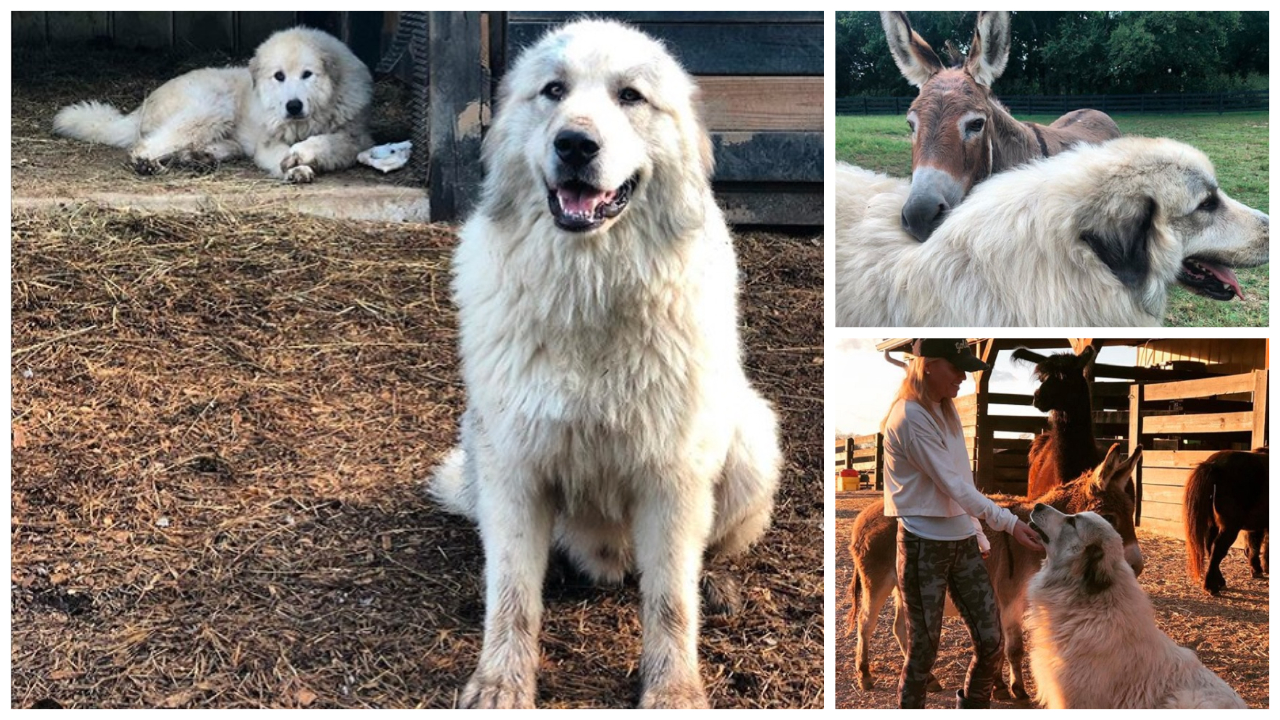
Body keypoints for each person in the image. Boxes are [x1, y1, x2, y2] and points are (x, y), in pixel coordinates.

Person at [881, 338, 1043, 709]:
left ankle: (972, 706)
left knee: (991, 641)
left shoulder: (944, 411)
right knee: (923, 649)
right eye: (955, 368)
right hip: (924, 545)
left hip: (961, 543)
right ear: (928, 366)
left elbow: (961, 485)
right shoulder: (909, 417)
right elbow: (951, 484)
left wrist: (974, 531)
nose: (964, 377)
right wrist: (1007, 523)